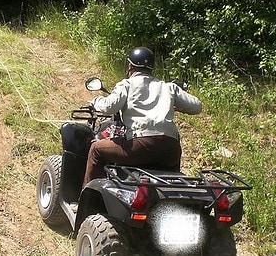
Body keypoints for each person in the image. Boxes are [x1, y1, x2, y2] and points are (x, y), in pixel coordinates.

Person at [83, 47, 202, 185]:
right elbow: (196, 106)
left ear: (130, 66)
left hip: (140, 145)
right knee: (171, 178)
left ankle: (88, 195)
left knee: (96, 149)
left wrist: (96, 101)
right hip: (170, 149)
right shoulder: (168, 87)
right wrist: (177, 106)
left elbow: (108, 107)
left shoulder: (127, 84)